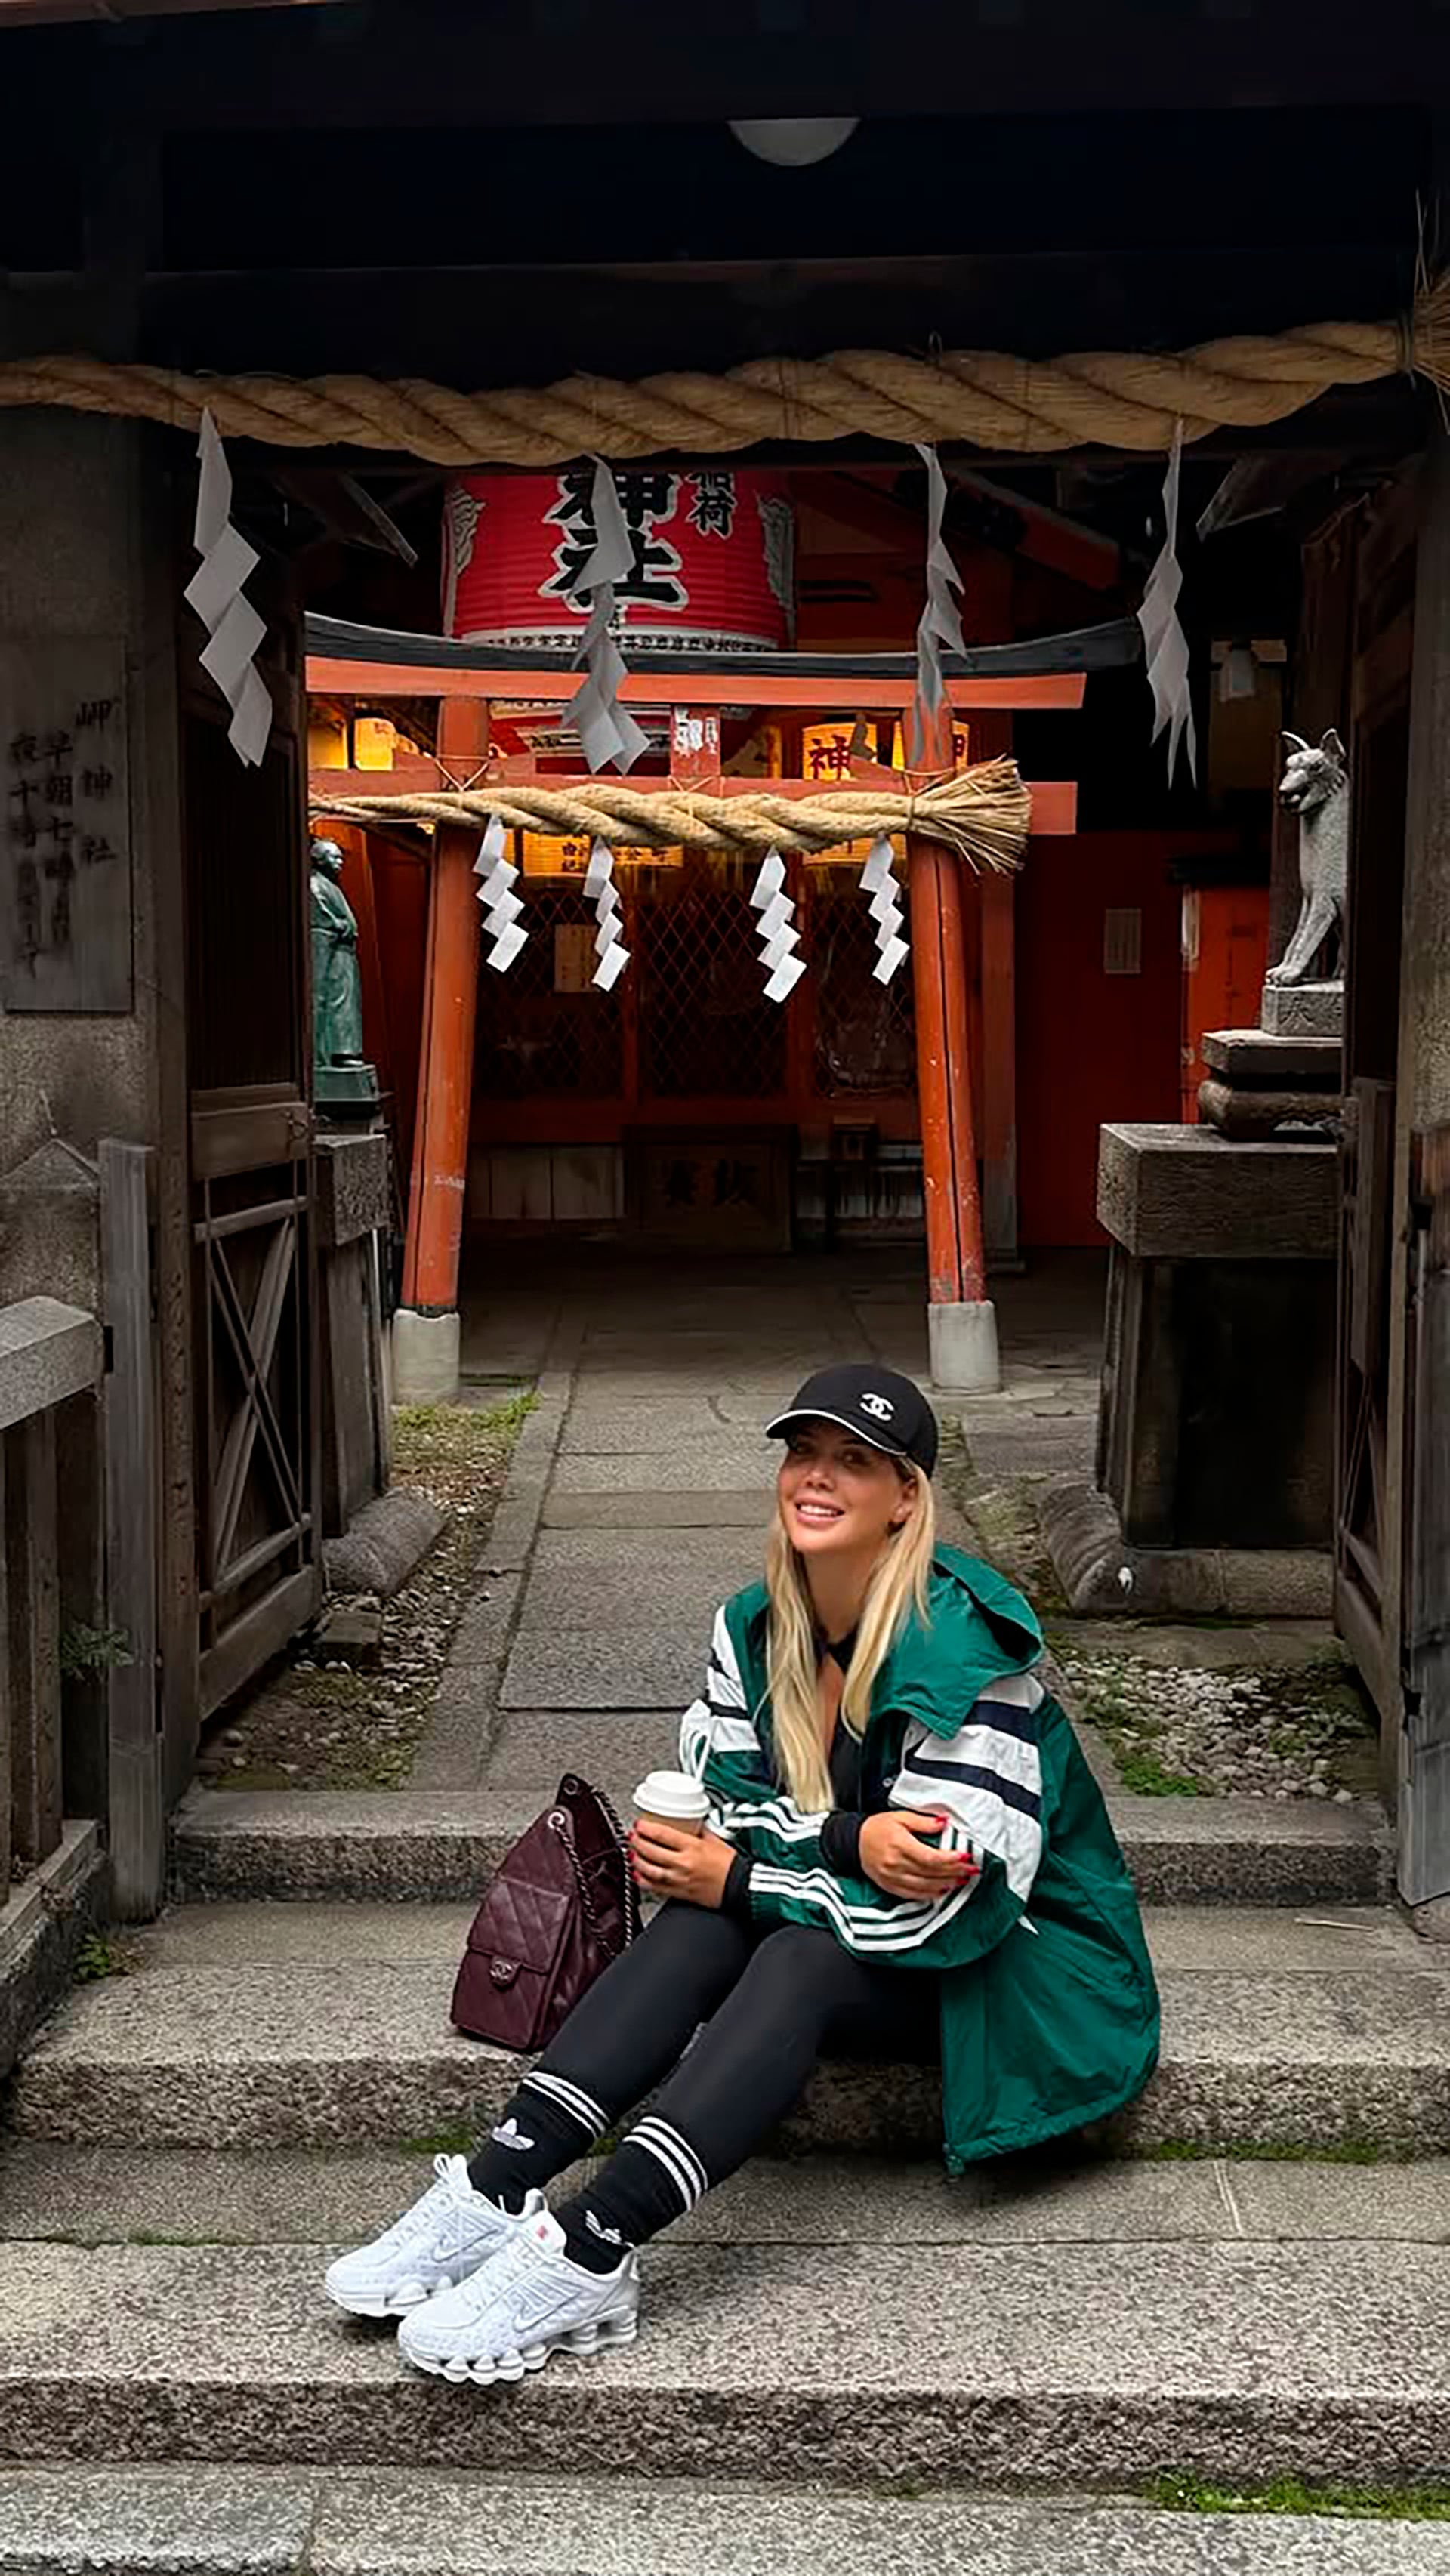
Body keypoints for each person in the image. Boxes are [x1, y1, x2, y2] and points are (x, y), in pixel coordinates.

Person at [325, 1363, 1161, 2388]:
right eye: (803, 1453)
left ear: (907, 1500)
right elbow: (723, 1805)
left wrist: (761, 1864)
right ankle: (496, 2189)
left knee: (792, 1954)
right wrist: (845, 1843)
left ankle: (593, 2245)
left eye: (856, 1461)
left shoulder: (970, 1655)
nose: (818, 1478)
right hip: (871, 1921)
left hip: (1023, 1969)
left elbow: (943, 1912)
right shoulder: (753, 1628)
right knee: (705, 1925)